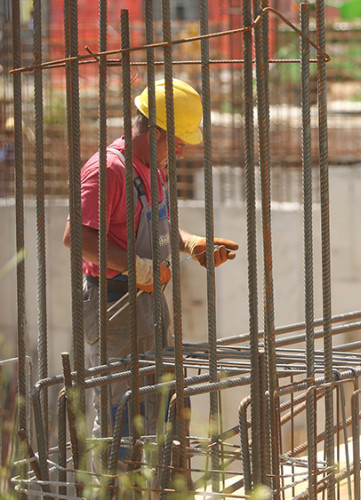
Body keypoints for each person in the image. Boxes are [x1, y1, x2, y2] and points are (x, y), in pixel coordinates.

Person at [62, 78, 239, 438]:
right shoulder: (108, 170)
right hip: (114, 302)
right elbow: (76, 236)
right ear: (155, 131)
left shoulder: (151, 169)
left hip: (148, 299)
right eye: (176, 143)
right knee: (123, 416)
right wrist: (139, 268)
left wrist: (191, 244)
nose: (182, 153)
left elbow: (159, 227)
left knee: (162, 409)